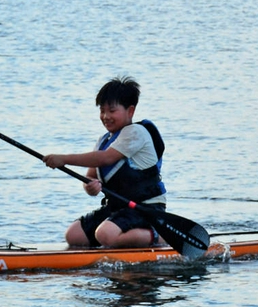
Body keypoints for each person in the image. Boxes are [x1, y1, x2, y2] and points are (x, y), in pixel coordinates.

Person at [44, 75, 169, 248]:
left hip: (146, 208)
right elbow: (90, 176)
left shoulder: (136, 132)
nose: (105, 116)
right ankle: (116, 239)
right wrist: (90, 186)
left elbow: (106, 158)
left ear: (130, 111)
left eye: (112, 111)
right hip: (118, 207)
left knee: (104, 234)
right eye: (102, 111)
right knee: (73, 235)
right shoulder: (103, 140)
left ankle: (160, 237)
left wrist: (63, 159)